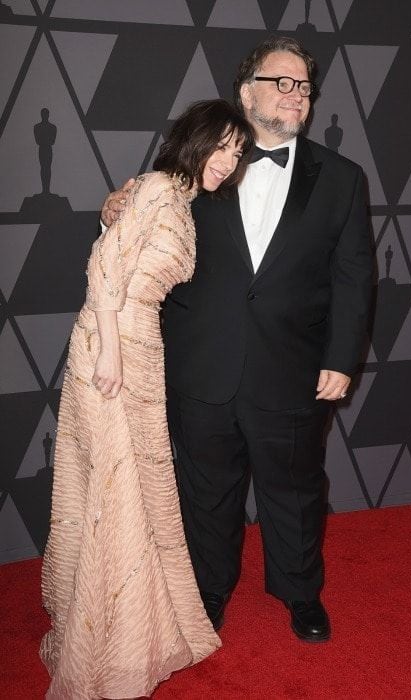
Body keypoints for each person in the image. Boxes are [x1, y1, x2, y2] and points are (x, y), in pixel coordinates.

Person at [102, 36, 373, 644]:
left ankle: (300, 593)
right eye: (283, 82)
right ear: (245, 91)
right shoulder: (202, 160)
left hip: (293, 369)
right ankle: (209, 590)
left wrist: (342, 358)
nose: (297, 94)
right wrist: (113, 205)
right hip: (203, 363)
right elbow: (142, 205)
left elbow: (354, 276)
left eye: (304, 85)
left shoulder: (343, 178)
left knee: (296, 492)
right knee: (207, 492)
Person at [40, 99, 254, 699]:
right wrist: (109, 351)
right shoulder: (162, 187)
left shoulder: (178, 198)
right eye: (221, 147)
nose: (229, 161)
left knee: (125, 486)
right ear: (195, 141)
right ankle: (106, 637)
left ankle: (120, 620)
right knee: (118, 486)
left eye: (238, 152)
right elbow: (106, 269)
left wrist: (117, 210)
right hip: (114, 344)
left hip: (139, 343)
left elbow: (122, 243)